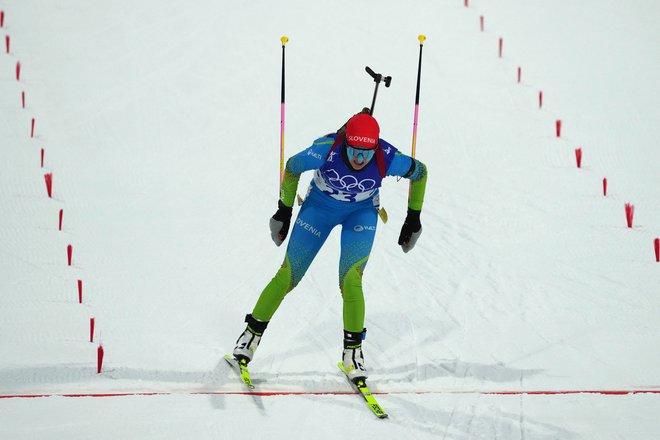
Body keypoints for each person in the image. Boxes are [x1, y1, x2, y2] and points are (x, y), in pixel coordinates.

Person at [231, 109, 428, 382]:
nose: (360, 159)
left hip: (360, 214)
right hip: (318, 211)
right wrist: (283, 210)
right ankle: (249, 338)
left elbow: (420, 172)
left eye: (366, 153)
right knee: (288, 275)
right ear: (345, 141)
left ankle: (353, 355)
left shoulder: (387, 157)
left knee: (351, 280)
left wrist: (413, 219)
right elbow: (292, 166)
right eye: (354, 151)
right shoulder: (326, 150)